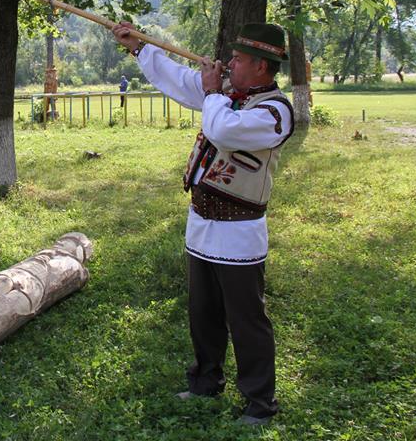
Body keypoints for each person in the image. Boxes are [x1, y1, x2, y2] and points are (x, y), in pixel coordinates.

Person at [112, 21, 294, 426]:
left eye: (240, 59)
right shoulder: (227, 92)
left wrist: (212, 90)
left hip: (240, 233)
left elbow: (223, 130)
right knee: (203, 312)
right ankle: (205, 381)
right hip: (202, 225)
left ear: (263, 67)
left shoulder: (276, 111)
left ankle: (260, 403)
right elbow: (177, 81)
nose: (230, 63)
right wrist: (139, 48)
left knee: (247, 320)